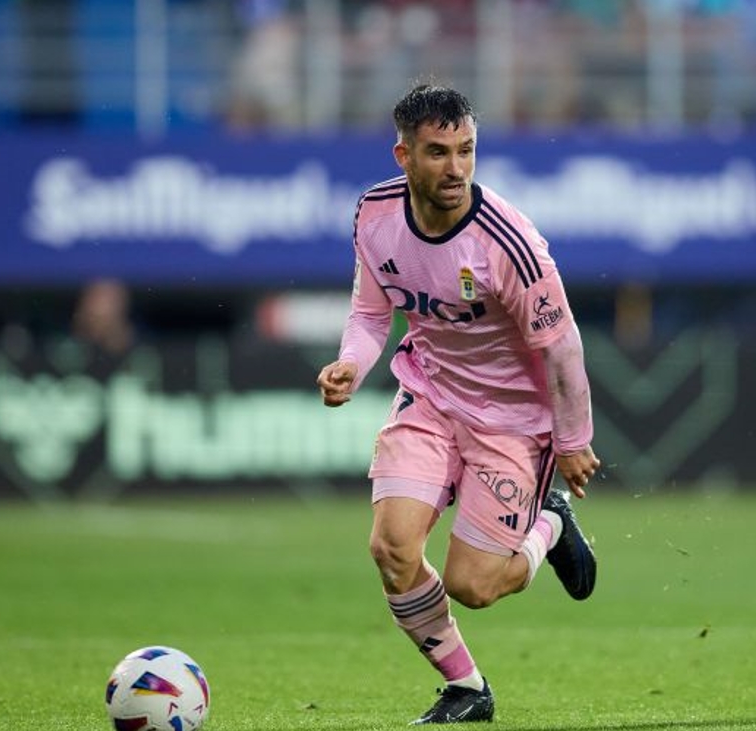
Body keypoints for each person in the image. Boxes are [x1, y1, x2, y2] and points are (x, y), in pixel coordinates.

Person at [316, 84, 602, 725]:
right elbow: (370, 313)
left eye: (467, 151)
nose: (456, 168)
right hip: (431, 395)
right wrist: (351, 366)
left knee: (474, 586)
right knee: (392, 549)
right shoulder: (374, 215)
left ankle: (548, 524)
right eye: (439, 152)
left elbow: (563, 349)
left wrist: (575, 440)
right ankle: (467, 689)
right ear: (404, 155)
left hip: (513, 424)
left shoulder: (510, 243)